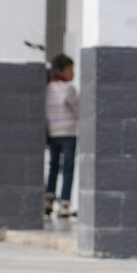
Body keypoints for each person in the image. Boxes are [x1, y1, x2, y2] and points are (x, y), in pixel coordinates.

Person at [44, 56, 79, 218]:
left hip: (52, 133)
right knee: (68, 168)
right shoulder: (69, 89)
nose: (73, 73)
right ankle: (65, 203)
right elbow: (78, 110)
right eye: (70, 69)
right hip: (68, 132)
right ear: (60, 71)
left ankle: (48, 199)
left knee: (53, 166)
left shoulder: (48, 88)